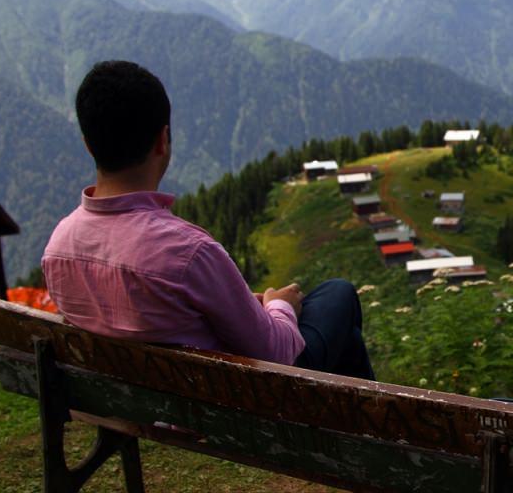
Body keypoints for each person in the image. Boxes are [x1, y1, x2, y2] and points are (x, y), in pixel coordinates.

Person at [43, 60, 374, 380]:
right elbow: (276, 354)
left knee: (343, 332)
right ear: (163, 139)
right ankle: (366, 430)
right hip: (221, 410)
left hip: (134, 402)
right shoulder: (188, 253)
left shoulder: (58, 247)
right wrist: (279, 306)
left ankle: (361, 430)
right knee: (338, 294)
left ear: (88, 145)